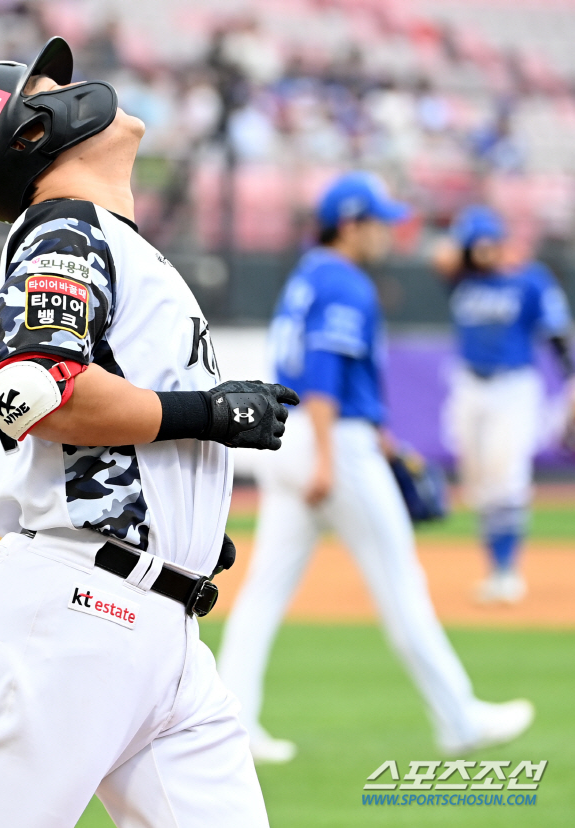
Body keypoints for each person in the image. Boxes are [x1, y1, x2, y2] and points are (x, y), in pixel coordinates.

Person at [0, 37, 298, 828]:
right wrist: (207, 414)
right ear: (28, 131)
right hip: (73, 619)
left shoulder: (104, 238)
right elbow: (33, 391)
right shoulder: (63, 226)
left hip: (152, 623)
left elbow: (3, 433)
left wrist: (178, 524)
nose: (73, 84)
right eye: (46, 85)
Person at [217, 172, 534, 763]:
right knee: (400, 583)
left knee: (263, 594)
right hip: (329, 441)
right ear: (353, 224)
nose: (389, 233)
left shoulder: (308, 274)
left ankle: (232, 725)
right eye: (381, 222)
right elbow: (324, 372)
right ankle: (460, 719)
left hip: (295, 440)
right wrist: (332, 458)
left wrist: (376, 439)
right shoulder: (345, 282)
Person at [435, 205, 575, 603]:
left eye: (489, 243)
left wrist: (571, 380)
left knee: (507, 477)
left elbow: (556, 332)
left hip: (513, 387)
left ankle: (505, 570)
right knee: (478, 483)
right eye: (475, 245)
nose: (484, 252)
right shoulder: (462, 277)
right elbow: (439, 257)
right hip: (468, 385)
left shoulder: (529, 279)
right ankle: (494, 566)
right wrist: (467, 249)